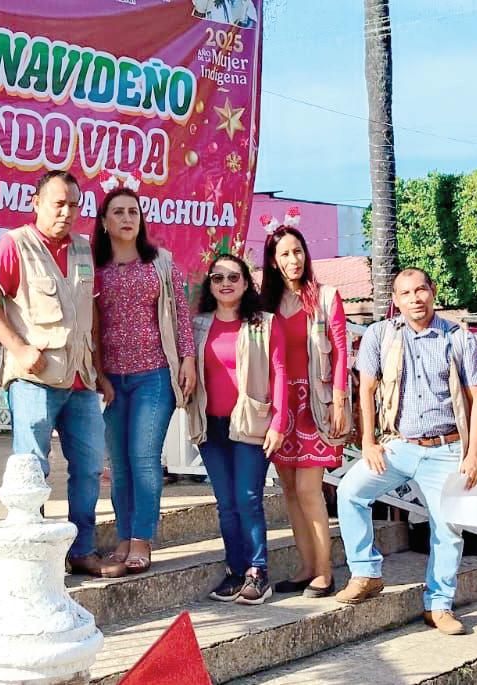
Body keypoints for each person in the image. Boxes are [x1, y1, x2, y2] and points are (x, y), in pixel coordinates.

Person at [0, 170, 124, 578]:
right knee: (32, 469)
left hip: (81, 379)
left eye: (74, 205)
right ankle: (35, 556)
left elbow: (90, 313)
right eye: (58, 204)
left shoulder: (82, 248)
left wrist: (100, 370)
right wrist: (19, 349)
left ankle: (82, 550)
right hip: (34, 380)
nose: (66, 212)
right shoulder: (15, 244)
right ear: (36, 203)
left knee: (89, 467)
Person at [334, 268, 477, 637]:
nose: (415, 298)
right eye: (406, 293)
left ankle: (439, 605)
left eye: (421, 290)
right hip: (397, 444)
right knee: (350, 491)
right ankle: (366, 572)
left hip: (448, 447)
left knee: (448, 529)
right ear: (396, 300)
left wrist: (474, 453)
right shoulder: (380, 334)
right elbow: (366, 389)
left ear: (432, 292)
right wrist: (368, 441)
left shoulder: (458, 337)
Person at [93, 187, 196, 575]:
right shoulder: (94, 268)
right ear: (105, 222)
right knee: (119, 465)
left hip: (153, 376)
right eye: (118, 212)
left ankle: (141, 539)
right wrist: (96, 373)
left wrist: (188, 360)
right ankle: (123, 535)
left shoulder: (160, 263)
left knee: (143, 458)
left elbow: (180, 316)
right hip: (111, 381)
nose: (126, 218)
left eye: (133, 212)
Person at [189, 254, 288, 605]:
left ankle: (257, 572)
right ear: (210, 285)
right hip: (211, 425)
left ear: (246, 283)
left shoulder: (264, 323)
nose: (226, 283)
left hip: (251, 424)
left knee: (248, 498)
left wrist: (278, 424)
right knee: (226, 503)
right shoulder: (198, 325)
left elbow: (280, 373)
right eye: (218, 278)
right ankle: (235, 571)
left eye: (233, 277)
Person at [261, 226, 349, 598]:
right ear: (273, 261)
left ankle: (325, 572)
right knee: (289, 491)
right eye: (284, 253)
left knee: (308, 489)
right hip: (281, 407)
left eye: (297, 251)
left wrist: (339, 400)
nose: (293, 259)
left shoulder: (326, 297)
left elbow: (341, 350)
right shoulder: (265, 304)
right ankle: (306, 566)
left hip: (316, 403)